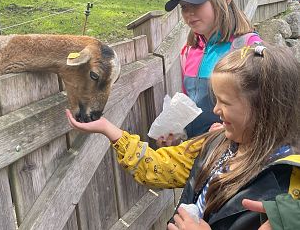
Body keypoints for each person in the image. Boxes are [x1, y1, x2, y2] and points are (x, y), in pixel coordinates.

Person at [66, 43, 300, 230]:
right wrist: (110, 129)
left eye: (225, 103)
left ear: (264, 109)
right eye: (216, 100)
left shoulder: (290, 184)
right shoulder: (214, 143)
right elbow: (158, 166)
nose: (216, 110)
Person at [157, 0, 262, 146]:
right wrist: (177, 131)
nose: (189, 14)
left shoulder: (248, 47)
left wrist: (230, 129)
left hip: (234, 156)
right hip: (196, 154)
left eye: (196, 3)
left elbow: (267, 110)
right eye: (184, 7)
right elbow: (189, 104)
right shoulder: (189, 50)